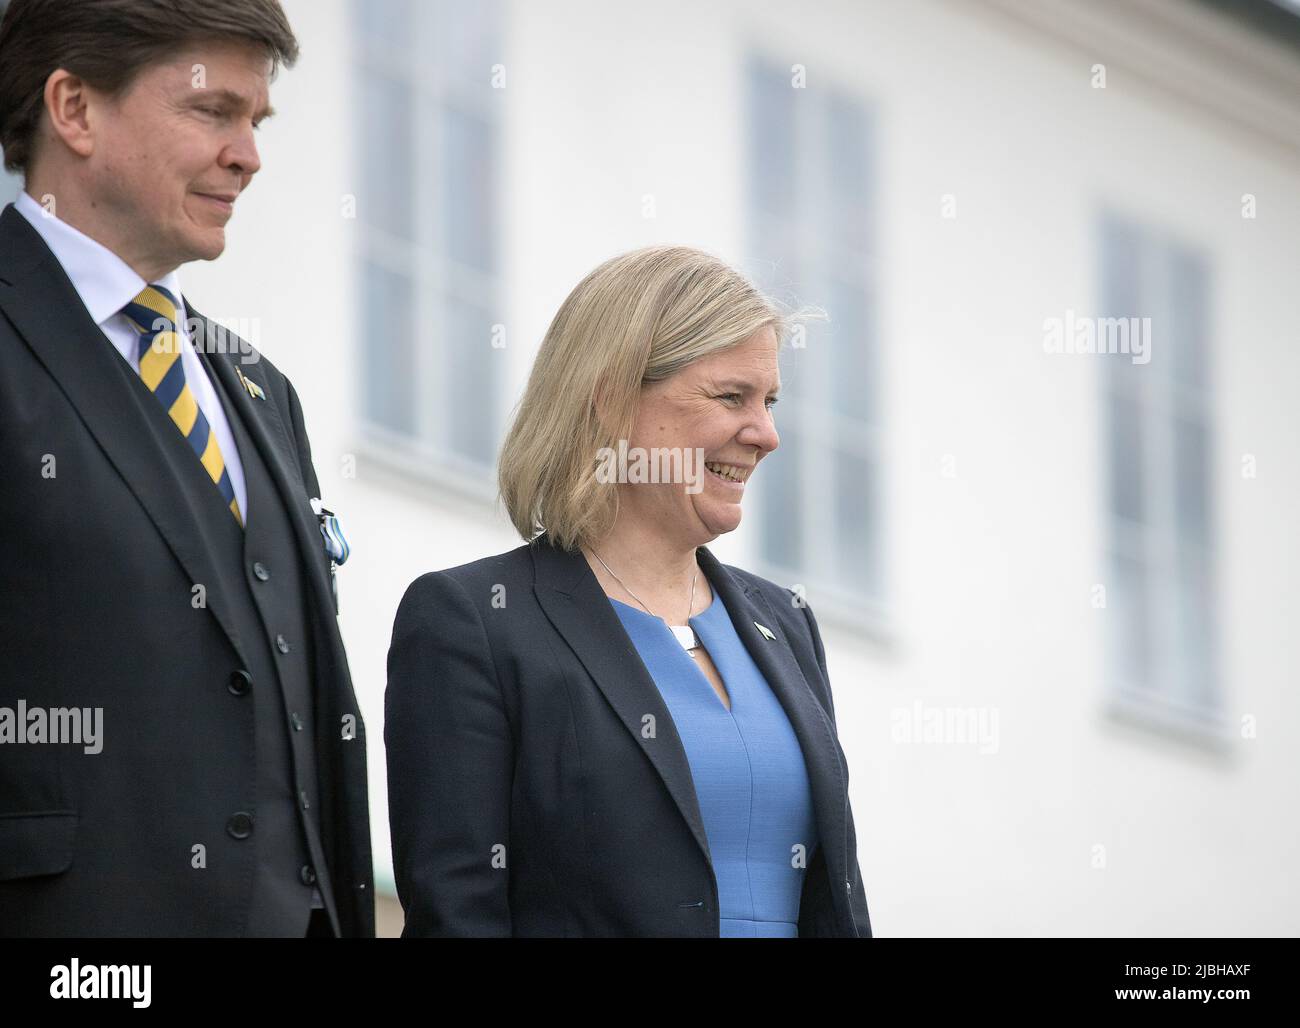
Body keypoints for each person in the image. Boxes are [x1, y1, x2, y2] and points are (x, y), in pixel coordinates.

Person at [0, 0, 373, 937]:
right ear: (74, 109)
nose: (249, 155)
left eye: (258, 121)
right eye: (214, 112)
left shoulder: (257, 386)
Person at [386, 245, 872, 937]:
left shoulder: (784, 622)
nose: (766, 434)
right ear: (612, 400)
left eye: (770, 401)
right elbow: (458, 917)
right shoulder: (475, 623)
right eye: (731, 396)